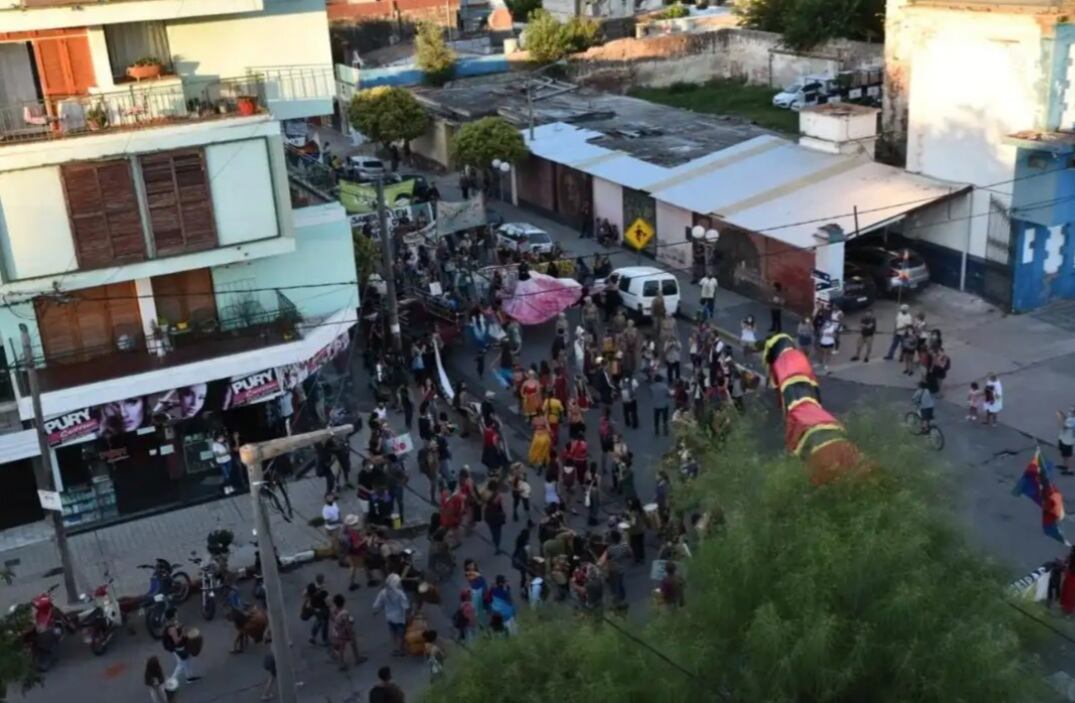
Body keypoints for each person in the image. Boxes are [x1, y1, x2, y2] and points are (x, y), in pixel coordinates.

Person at [373, 574, 410, 657]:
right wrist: (408, 616)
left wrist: (377, 611)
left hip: (389, 617)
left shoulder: (383, 592)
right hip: (400, 617)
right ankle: (401, 649)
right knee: (401, 633)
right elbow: (406, 607)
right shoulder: (400, 594)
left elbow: (378, 605)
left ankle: (395, 649)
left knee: (393, 633)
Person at [331, 594, 367, 671]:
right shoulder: (344, 613)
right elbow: (347, 625)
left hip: (338, 631)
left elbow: (333, 619)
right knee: (353, 643)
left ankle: (341, 664)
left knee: (341, 648)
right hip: (344, 632)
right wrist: (350, 634)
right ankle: (357, 659)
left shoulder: (335, 611)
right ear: (343, 602)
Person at [163, 607, 198, 684]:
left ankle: (189, 677)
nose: (177, 615)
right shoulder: (172, 629)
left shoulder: (171, 624)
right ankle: (171, 682)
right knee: (181, 664)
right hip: (178, 648)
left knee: (186, 660)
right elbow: (176, 641)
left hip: (179, 648)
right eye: (176, 614)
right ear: (172, 616)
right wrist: (182, 632)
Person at [599, 529, 632, 609]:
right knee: (620, 583)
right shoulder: (625, 545)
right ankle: (622, 598)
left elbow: (606, 559)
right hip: (621, 568)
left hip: (613, 569)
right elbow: (630, 554)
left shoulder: (610, 549)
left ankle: (617, 602)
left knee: (614, 586)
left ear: (612, 539)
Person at [305, 575, 330, 646]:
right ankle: (325, 640)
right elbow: (328, 602)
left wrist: (309, 600)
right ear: (322, 581)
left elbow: (304, 594)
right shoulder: (323, 592)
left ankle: (312, 637)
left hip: (313, 608)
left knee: (318, 621)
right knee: (324, 624)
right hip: (322, 610)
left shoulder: (311, 586)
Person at [484, 481, 507, 554]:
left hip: (487, 515)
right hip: (496, 516)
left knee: (492, 530)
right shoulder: (498, 496)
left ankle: (494, 539)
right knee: (498, 532)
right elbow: (499, 506)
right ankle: (497, 547)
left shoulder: (486, 494)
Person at [212, 431, 236, 496]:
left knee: (228, 474)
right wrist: (226, 453)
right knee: (226, 475)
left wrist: (228, 452)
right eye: (220, 437)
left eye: (222, 437)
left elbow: (229, 450)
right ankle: (226, 488)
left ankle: (229, 487)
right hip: (221, 461)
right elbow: (217, 455)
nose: (222, 438)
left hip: (228, 460)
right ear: (217, 438)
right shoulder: (215, 445)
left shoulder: (225, 443)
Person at [511, 525, 532, 591]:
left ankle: (523, 586)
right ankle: (526, 586)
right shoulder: (527, 547)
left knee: (523, 574)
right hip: (525, 562)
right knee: (530, 572)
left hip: (519, 562)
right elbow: (530, 556)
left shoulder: (519, 542)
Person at [1058, 406, 1075, 475]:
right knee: (1064, 453)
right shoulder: (1071, 418)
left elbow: (1064, 427)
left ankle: (1070, 470)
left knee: (1069, 455)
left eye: (1071, 411)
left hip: (1068, 440)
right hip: (1063, 438)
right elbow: (1066, 419)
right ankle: (1065, 465)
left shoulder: (1074, 420)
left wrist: (1059, 417)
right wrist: (1062, 415)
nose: (1069, 412)